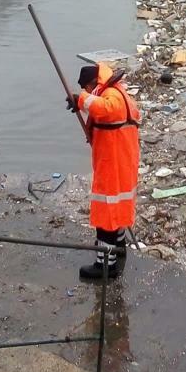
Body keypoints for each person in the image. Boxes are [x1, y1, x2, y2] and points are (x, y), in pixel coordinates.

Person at [67, 62, 140, 280]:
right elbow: (104, 115)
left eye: (87, 88)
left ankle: (105, 266)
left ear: (94, 83)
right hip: (120, 162)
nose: (88, 93)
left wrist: (80, 100)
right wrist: (82, 105)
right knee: (116, 211)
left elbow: (106, 109)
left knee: (106, 214)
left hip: (113, 165)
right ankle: (119, 248)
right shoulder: (117, 93)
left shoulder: (113, 96)